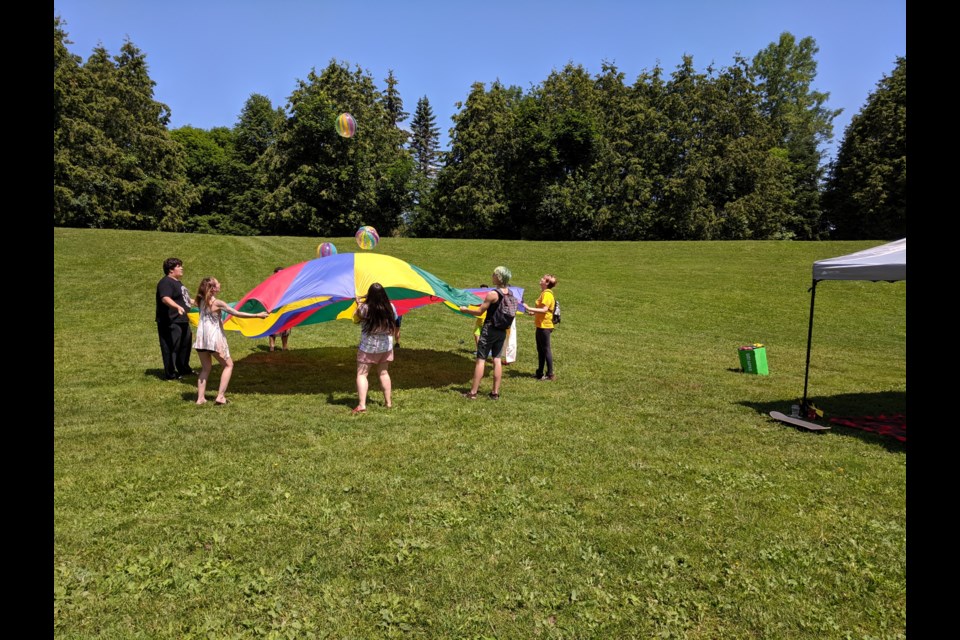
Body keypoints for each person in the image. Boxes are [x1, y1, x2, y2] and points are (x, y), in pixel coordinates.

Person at [193, 277, 269, 405]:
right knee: (228, 365)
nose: (220, 283)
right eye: (217, 283)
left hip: (201, 340)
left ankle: (200, 399)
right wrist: (257, 315)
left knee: (205, 369)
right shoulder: (217, 303)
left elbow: (190, 301)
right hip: (213, 339)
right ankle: (220, 396)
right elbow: (236, 313)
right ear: (213, 288)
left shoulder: (200, 300)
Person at [459, 266, 513, 400]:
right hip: (502, 330)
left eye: (494, 274)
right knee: (497, 359)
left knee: (480, 360)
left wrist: (465, 310)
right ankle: (495, 393)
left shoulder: (493, 294)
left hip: (490, 329)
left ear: (499, 277)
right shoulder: (510, 293)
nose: (492, 276)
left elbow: (479, 312)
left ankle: (473, 393)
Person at [352, 283, 400, 414]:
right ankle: (388, 403)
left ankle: (362, 405)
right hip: (385, 346)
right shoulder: (390, 307)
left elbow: (355, 318)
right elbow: (395, 319)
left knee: (362, 374)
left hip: (368, 347)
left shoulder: (365, 308)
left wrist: (358, 305)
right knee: (384, 373)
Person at [155, 257, 196, 380]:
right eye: (179, 266)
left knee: (185, 346)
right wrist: (177, 307)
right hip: (170, 321)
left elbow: (186, 300)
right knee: (171, 347)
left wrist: (203, 303)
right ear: (171, 270)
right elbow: (165, 298)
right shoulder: (166, 282)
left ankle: (184, 369)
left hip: (182, 320)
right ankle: (171, 374)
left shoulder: (178, 283)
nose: (182, 268)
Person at [525, 274, 558, 381]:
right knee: (540, 350)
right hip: (540, 324)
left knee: (546, 349)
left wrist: (530, 308)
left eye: (543, 279)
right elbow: (543, 310)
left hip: (545, 326)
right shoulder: (544, 293)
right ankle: (539, 373)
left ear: (547, 283)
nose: (541, 279)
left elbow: (545, 310)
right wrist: (533, 312)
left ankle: (550, 374)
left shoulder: (547, 294)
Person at [268, 267, 292, 352]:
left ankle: (284, 347)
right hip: (274, 309)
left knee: (285, 328)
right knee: (272, 329)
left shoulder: (287, 284)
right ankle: (272, 347)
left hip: (285, 309)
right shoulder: (271, 284)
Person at [473, 284, 489, 357]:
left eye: (484, 290)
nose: (483, 291)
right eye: (481, 290)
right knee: (476, 334)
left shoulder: (489, 298)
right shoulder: (477, 298)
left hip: (485, 320)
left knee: (485, 336)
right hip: (479, 320)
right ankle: (478, 350)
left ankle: (487, 350)